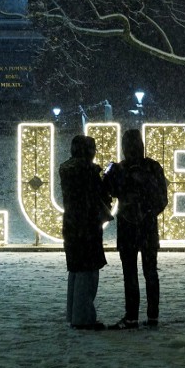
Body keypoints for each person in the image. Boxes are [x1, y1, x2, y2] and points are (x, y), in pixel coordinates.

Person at [103, 129, 168, 330]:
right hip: (148, 227)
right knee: (150, 272)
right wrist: (148, 212)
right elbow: (162, 199)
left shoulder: (118, 169)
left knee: (129, 272)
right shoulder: (153, 167)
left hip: (127, 226)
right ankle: (152, 316)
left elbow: (108, 191)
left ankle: (131, 316)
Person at [59, 135, 111, 331]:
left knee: (75, 270)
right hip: (87, 225)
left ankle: (74, 313)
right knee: (87, 272)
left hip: (71, 224)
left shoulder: (66, 169)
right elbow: (99, 193)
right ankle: (83, 318)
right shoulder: (88, 171)